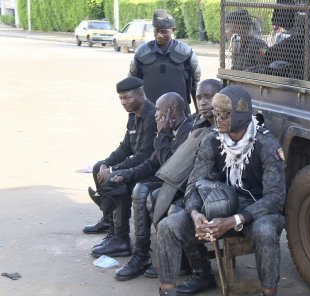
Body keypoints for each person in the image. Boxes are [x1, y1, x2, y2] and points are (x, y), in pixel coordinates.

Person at [156, 85, 286, 296]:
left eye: (226, 114)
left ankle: (268, 292)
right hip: (220, 206)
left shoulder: (266, 143)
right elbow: (194, 184)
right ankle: (167, 291)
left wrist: (233, 220)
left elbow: (275, 198)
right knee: (168, 226)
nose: (219, 119)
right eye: (217, 114)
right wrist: (195, 214)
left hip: (257, 212)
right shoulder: (212, 140)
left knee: (265, 230)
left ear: (241, 114)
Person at [114, 79, 222, 281]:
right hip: (183, 184)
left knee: (166, 204)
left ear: (171, 111)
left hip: (200, 188)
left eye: (208, 97)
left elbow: (169, 166)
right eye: (199, 97)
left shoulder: (190, 128)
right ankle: (140, 252)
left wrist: (162, 132)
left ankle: (183, 262)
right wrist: (121, 172)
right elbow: (154, 162)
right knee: (141, 190)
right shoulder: (198, 124)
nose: (203, 102)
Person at [83, 77, 157, 255]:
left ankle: (121, 239)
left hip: (151, 170)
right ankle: (109, 221)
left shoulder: (151, 116)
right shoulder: (134, 116)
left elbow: (144, 156)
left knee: (117, 181)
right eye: (121, 98)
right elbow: (125, 147)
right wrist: (107, 163)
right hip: (139, 165)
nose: (123, 102)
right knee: (98, 167)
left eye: (127, 97)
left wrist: (115, 170)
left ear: (140, 94)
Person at [129, 9, 201, 114]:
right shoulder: (141, 53)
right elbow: (132, 85)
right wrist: (133, 114)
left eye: (164, 31)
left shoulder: (186, 53)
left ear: (173, 30)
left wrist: (199, 113)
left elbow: (196, 85)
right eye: (156, 31)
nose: (159, 35)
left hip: (180, 114)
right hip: (149, 114)